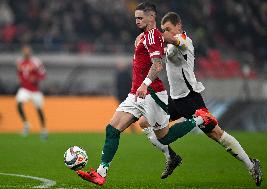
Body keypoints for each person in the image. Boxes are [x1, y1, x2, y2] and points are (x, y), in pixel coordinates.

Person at [76, 2, 217, 186]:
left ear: (152, 18)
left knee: (164, 137)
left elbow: (158, 64)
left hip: (152, 94)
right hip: (136, 94)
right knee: (112, 128)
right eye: (135, 18)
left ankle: (200, 119)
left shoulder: (152, 36)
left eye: (140, 18)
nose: (137, 21)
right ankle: (101, 173)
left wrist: (145, 84)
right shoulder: (146, 36)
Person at [140, 12, 263, 186]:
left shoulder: (185, 42)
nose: (166, 32)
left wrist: (153, 34)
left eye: (168, 29)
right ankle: (171, 157)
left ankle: (251, 165)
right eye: (163, 29)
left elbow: (172, 41)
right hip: (174, 100)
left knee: (217, 135)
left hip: (191, 99)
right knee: (144, 121)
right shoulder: (167, 47)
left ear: (179, 26)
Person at [16, 45, 47, 140]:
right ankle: (26, 124)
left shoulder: (36, 61)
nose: (26, 52)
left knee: (39, 110)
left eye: (27, 51)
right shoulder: (20, 62)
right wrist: (22, 80)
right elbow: (19, 73)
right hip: (25, 88)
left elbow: (43, 74)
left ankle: (43, 130)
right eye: (24, 51)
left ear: (30, 52)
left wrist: (36, 79)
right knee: (19, 103)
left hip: (35, 90)